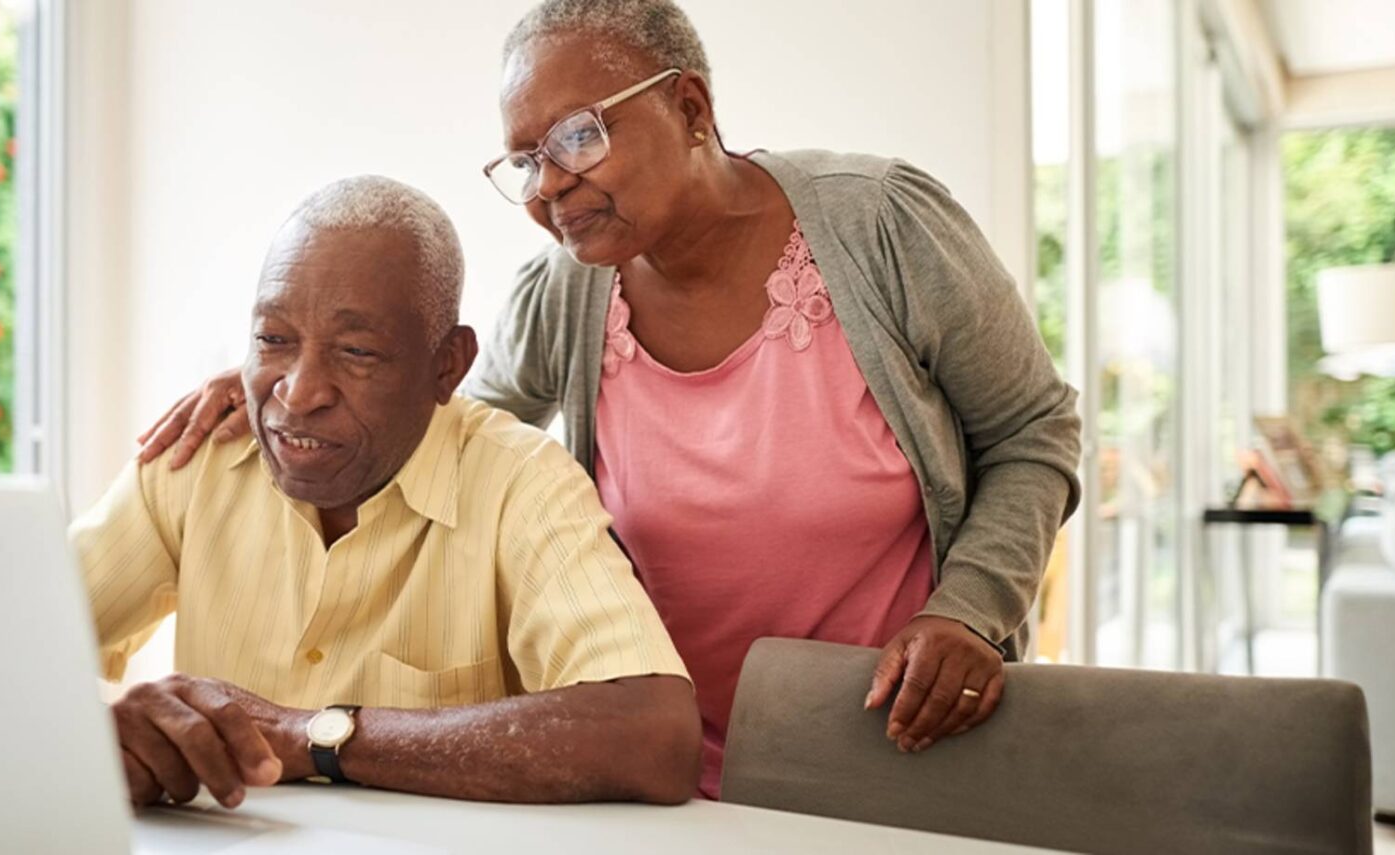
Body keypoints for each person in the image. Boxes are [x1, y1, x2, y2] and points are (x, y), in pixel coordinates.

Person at [136, 0, 1081, 798]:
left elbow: (1035, 431)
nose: (548, 187)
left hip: (896, 741)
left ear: (691, 107)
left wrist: (967, 610)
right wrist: (292, 375)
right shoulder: (568, 293)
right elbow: (443, 429)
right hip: (651, 763)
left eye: (578, 137)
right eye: (523, 161)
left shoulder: (881, 226)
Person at [71, 176, 699, 809]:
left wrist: (310, 736)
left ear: (447, 364)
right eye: (272, 340)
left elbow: (654, 736)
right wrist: (115, 726)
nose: (298, 391)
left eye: (356, 351)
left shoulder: (520, 483)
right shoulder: (196, 459)